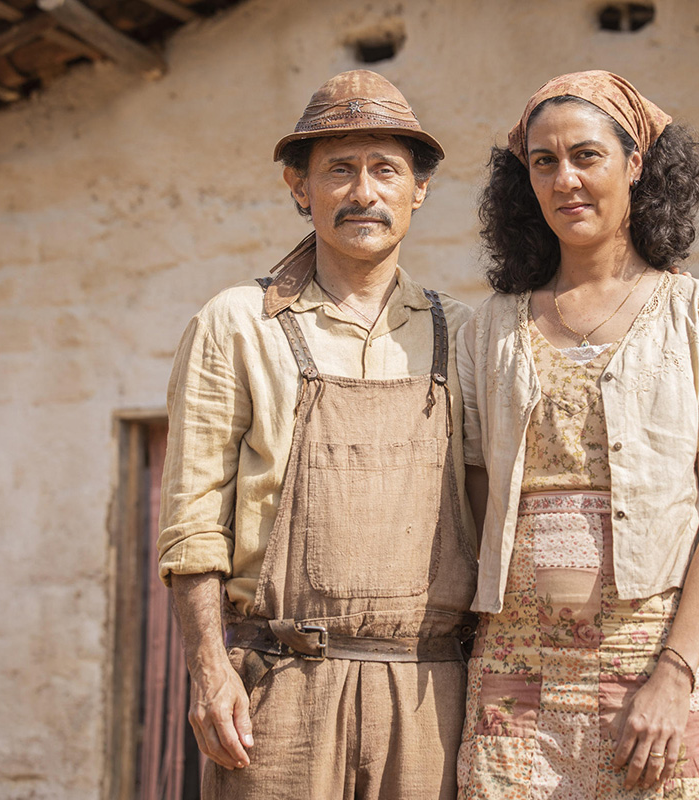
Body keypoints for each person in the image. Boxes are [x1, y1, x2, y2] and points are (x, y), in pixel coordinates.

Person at [157, 70, 479, 799]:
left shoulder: (462, 333)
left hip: (432, 693)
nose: (363, 192)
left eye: (385, 169)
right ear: (299, 187)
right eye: (339, 169)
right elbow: (191, 522)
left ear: (418, 190)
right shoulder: (236, 323)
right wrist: (209, 670)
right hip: (280, 694)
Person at [456, 71, 699, 798]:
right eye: (543, 161)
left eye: (586, 156)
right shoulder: (489, 328)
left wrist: (675, 673)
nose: (565, 179)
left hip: (650, 665)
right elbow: (469, 505)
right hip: (512, 671)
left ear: (635, 165)